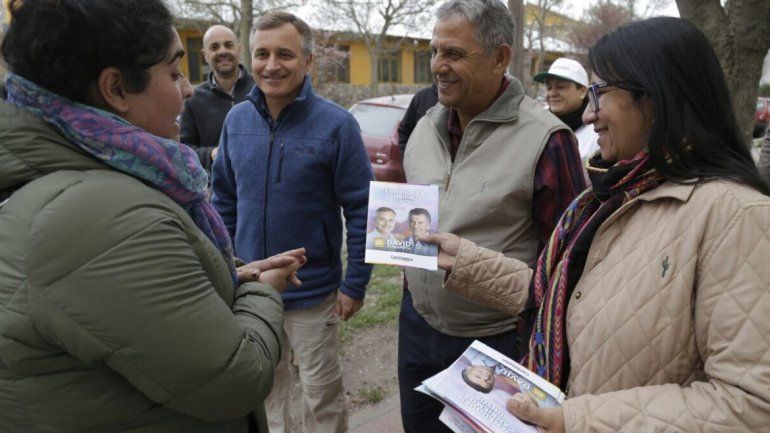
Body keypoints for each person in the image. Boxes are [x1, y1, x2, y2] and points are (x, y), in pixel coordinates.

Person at [423, 17, 770, 432]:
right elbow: (568, 299)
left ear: (657, 97)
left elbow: (749, 405)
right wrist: (465, 262)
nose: (589, 114)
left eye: (600, 93)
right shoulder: (609, 195)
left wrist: (576, 420)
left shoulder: (736, 216)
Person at [0, 1, 306, 432]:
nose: (187, 90)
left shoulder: (84, 182)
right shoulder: (101, 217)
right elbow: (235, 377)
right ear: (117, 88)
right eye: (174, 71)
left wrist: (229, 277)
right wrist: (262, 292)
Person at [399, 1, 586, 431]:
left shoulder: (547, 139)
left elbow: (569, 266)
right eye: (434, 51)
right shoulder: (426, 125)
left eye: (454, 54)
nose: (438, 67)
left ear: (500, 57)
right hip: (417, 326)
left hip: (497, 341)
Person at [210, 11, 374, 433]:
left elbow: (362, 208)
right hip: (251, 288)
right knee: (267, 390)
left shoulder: (337, 125)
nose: (271, 65)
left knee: (321, 394)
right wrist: (228, 267)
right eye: (262, 54)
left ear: (308, 62)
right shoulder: (236, 121)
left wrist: (355, 282)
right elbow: (223, 197)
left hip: (314, 293)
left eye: (285, 54)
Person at [180, 24, 255, 171]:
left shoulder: (260, 89)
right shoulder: (193, 99)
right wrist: (212, 154)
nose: (222, 51)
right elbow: (184, 150)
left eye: (228, 45)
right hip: (215, 187)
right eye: (214, 47)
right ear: (205, 55)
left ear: (238, 49)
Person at [533, 57, 599, 162]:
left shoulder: (597, 133)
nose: (552, 94)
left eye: (561, 87)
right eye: (549, 88)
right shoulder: (536, 125)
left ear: (582, 91)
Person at [398, 82, 439, 153]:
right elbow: (404, 131)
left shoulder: (461, 100)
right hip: (423, 162)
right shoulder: (421, 97)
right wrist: (409, 159)